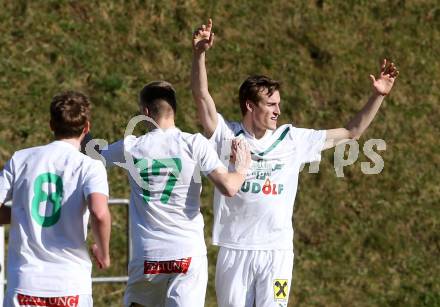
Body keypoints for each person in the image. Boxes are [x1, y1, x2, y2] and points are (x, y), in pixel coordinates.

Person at [191, 19, 399, 307]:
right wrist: (199, 54)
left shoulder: (293, 139)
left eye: (278, 103)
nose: (278, 110)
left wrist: (377, 96)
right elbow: (202, 98)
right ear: (250, 106)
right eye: (271, 104)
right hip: (235, 249)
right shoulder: (228, 135)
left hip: (277, 253)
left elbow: (353, 131)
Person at [100, 81, 251, 307]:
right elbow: (229, 187)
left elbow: (90, 160)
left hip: (148, 256)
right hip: (187, 254)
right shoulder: (194, 144)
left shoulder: (131, 147)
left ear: (145, 112)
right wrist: (241, 168)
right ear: (174, 109)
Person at [0, 91, 111, 307]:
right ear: (86, 127)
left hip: (25, 284)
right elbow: (99, 212)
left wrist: (24, 213)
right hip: (70, 285)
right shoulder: (90, 166)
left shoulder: (21, 159)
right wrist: (104, 253)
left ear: (51, 125)